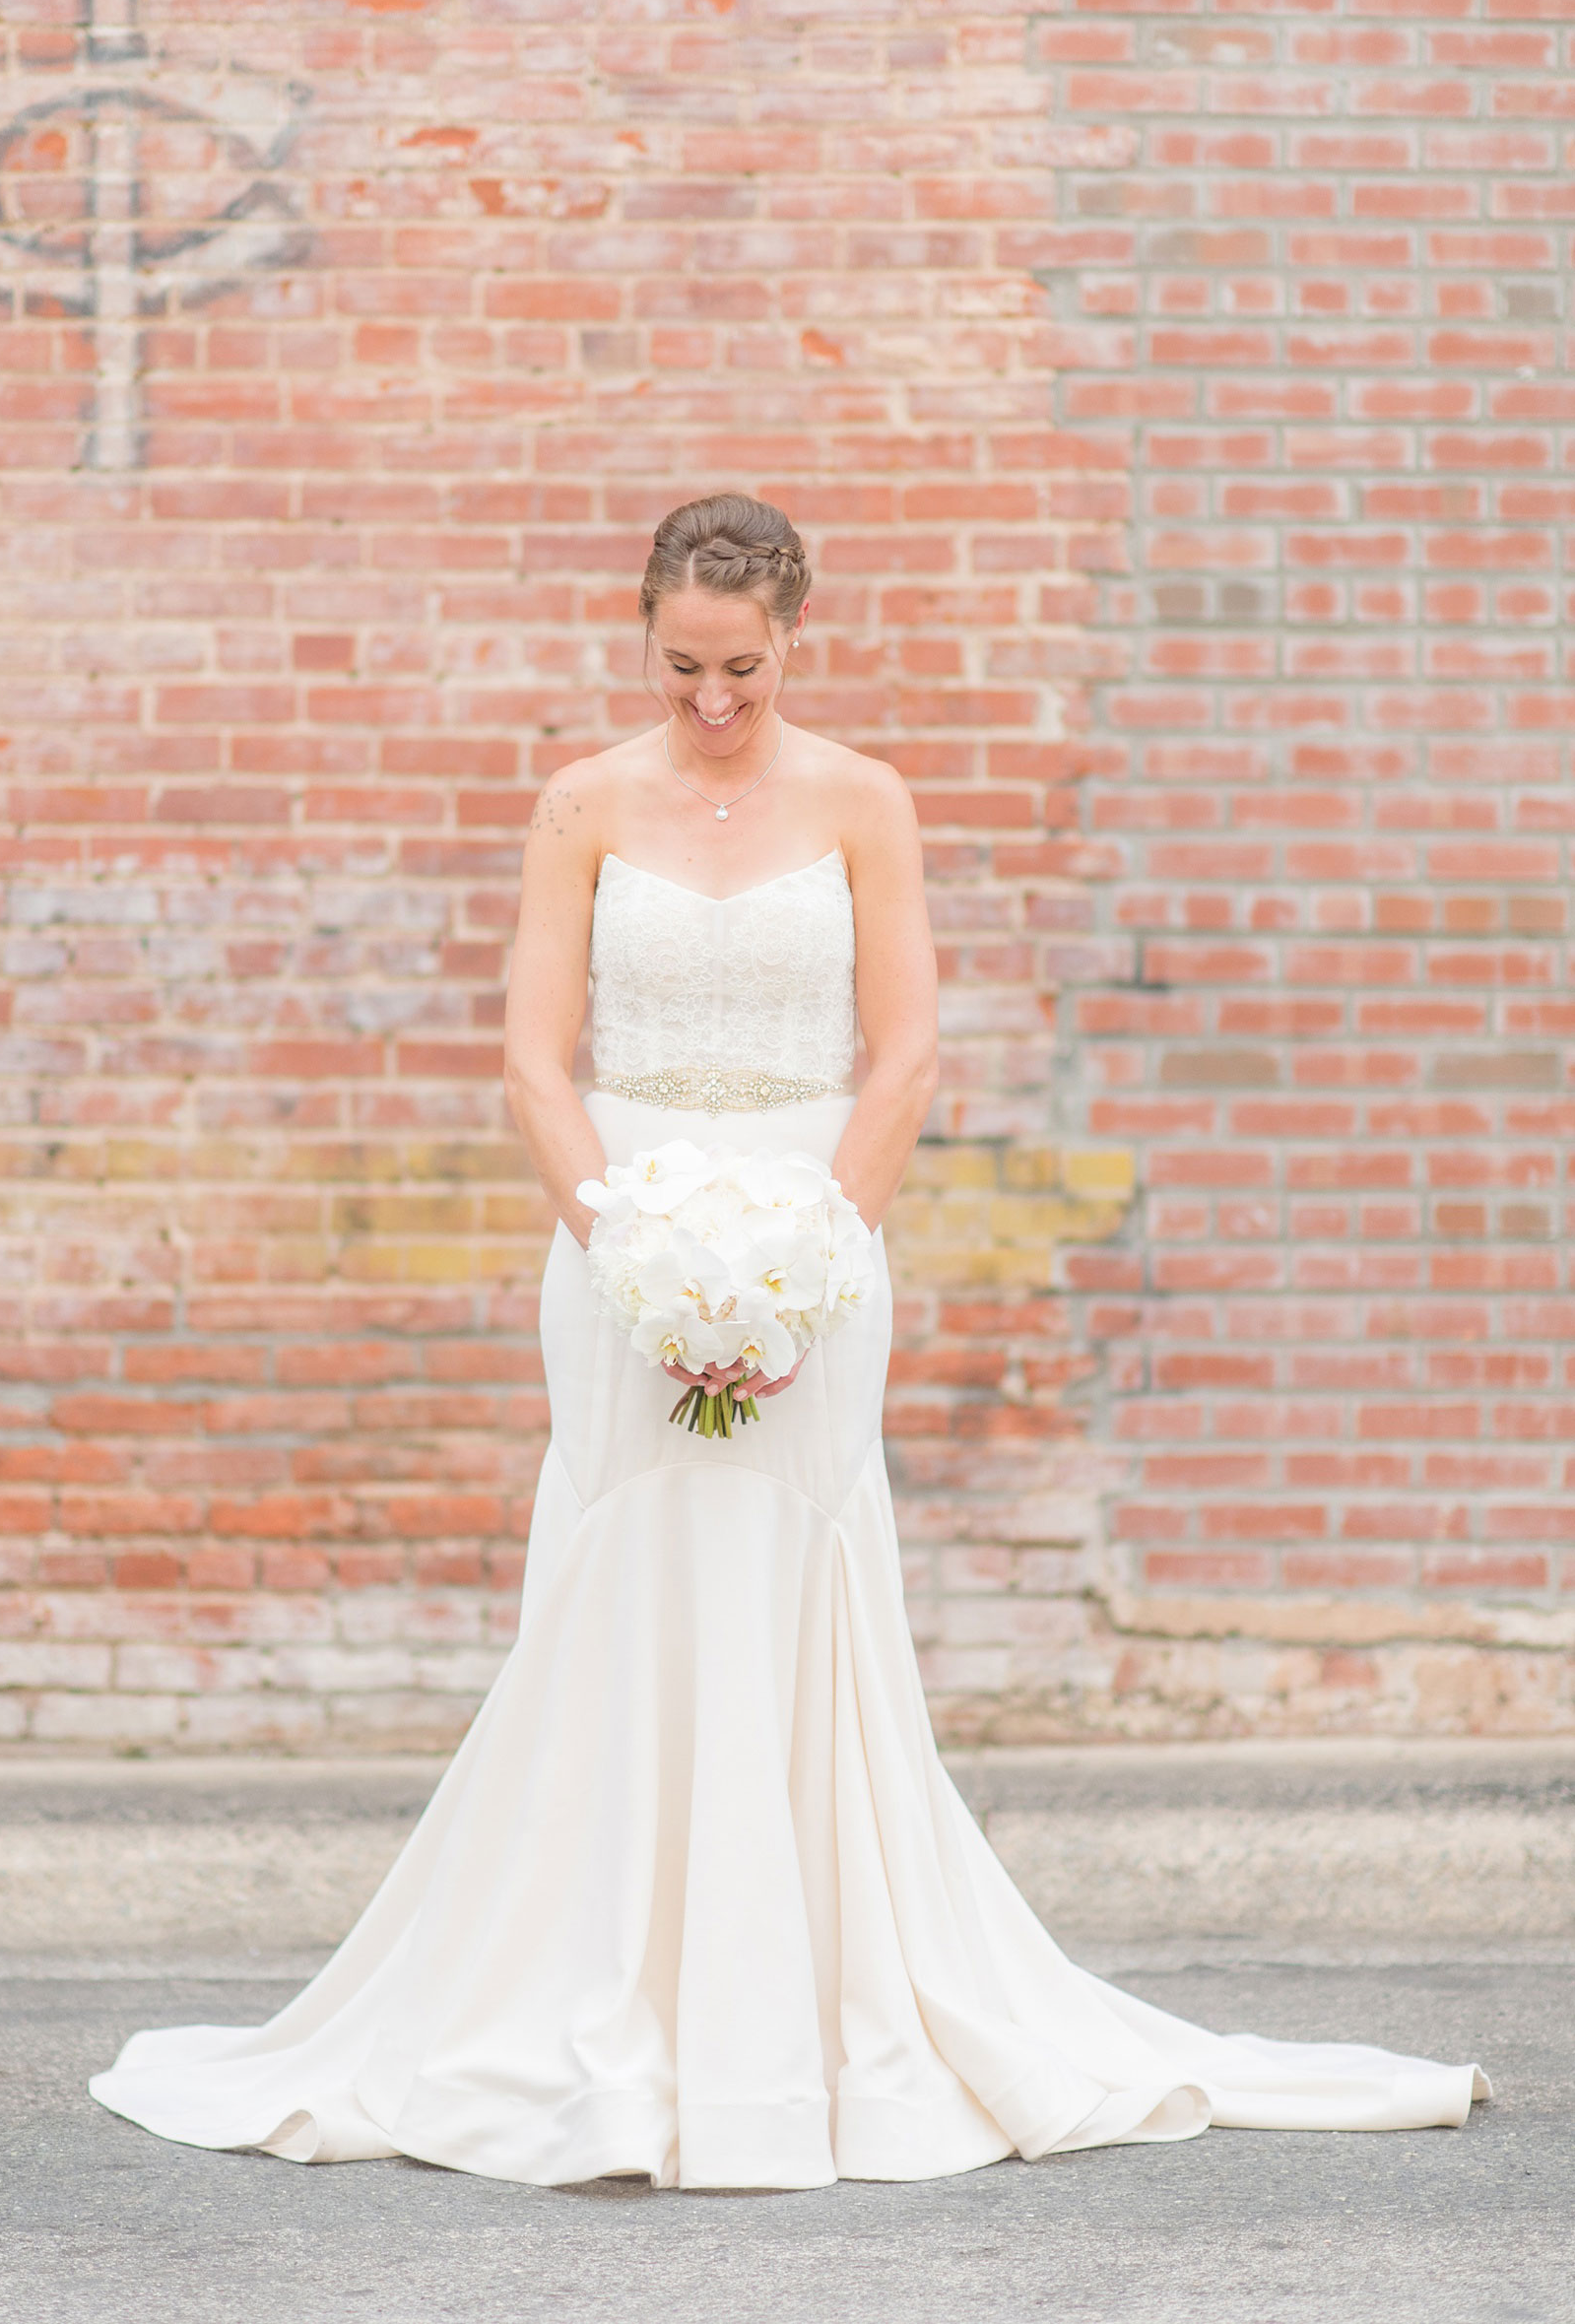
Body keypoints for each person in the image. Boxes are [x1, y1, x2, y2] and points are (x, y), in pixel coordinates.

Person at [90, 493, 1488, 2187]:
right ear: (644, 633)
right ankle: (590, 1997)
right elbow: (537, 1061)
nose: (713, 702)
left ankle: (807, 2016)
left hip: (818, 1240)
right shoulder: (581, 803)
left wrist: (815, 1254)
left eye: (742, 666)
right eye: (681, 665)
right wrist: (628, 1251)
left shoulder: (864, 803)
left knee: (799, 1591)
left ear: (795, 632)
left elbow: (902, 1057)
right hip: (623, 1245)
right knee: (624, 1583)